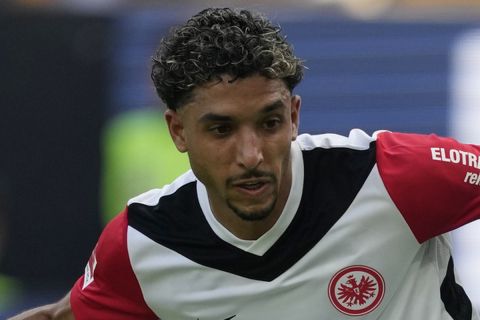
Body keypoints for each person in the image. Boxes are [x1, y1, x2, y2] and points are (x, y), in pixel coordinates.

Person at [9, 7, 480, 320]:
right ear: (178, 132)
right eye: (221, 130)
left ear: (294, 116)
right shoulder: (142, 245)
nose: (251, 155)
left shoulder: (392, 177)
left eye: (270, 122)